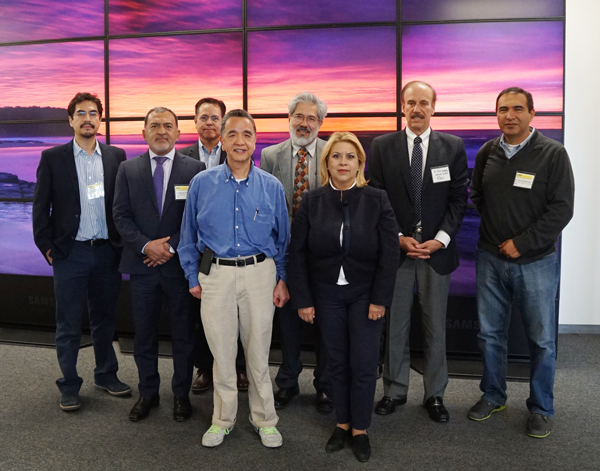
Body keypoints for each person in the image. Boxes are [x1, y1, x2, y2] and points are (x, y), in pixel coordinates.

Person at [179, 109, 289, 448]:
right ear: (222, 141)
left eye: (247, 135)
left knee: (257, 353)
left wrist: (282, 279)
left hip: (260, 275)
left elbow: (283, 239)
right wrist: (191, 276)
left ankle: (265, 420)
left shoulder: (271, 186)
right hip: (216, 276)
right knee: (222, 354)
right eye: (233, 135)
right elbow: (187, 237)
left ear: (255, 142)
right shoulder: (201, 183)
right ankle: (222, 419)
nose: (240, 141)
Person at [468, 87, 574, 438]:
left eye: (517, 109)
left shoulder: (553, 154)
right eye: (502, 109)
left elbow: (562, 209)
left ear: (532, 113)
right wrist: (499, 234)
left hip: (537, 262)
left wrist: (522, 242)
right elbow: (478, 196)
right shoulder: (487, 152)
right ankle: (493, 395)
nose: (509, 115)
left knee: (542, 340)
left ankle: (541, 407)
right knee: (490, 334)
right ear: (495, 114)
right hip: (490, 258)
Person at [289, 132, 399, 462]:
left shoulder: (376, 199)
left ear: (359, 163)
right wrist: (303, 299)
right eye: (336, 156)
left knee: (364, 363)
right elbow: (297, 254)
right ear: (327, 163)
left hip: (366, 295)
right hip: (325, 295)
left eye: (350, 157)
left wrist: (380, 298)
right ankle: (341, 423)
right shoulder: (311, 200)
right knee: (335, 362)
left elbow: (390, 254)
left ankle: (361, 429)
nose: (343, 162)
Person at [369, 81, 468, 423]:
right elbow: (377, 198)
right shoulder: (382, 146)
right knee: (395, 324)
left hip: (435, 253)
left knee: (434, 326)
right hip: (396, 252)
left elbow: (458, 198)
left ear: (433, 107)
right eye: (411, 102)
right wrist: (397, 236)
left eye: (423, 103)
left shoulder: (452, 147)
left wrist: (441, 239)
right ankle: (394, 390)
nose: (417, 109)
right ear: (401, 106)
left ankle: (435, 394)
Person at [32, 92, 131, 411]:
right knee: (68, 322)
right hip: (69, 253)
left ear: (100, 119)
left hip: (106, 252)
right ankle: (69, 385)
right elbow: (40, 207)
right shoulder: (53, 157)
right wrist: (47, 246)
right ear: (71, 119)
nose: (87, 118)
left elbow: (123, 205)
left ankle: (105, 374)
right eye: (81, 113)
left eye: (93, 113)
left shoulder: (117, 155)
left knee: (104, 319)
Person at [113, 107, 204, 422]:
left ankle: (181, 394)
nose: (162, 131)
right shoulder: (128, 169)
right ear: (144, 133)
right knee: (144, 335)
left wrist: (170, 247)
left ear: (179, 133)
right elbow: (120, 215)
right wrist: (145, 246)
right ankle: (147, 393)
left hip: (179, 269)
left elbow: (197, 217)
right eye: (155, 126)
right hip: (142, 269)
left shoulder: (196, 168)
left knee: (183, 334)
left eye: (168, 126)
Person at [260, 92, 332, 412]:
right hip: (285, 253)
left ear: (321, 122)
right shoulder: (270, 156)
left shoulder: (333, 154)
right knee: (287, 320)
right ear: (288, 119)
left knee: (325, 322)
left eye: (311, 118)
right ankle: (288, 381)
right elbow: (265, 209)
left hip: (324, 255)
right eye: (299, 117)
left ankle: (326, 384)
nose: (304, 124)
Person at [179, 97, 248, 394]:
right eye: (203, 117)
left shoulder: (238, 154)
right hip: (196, 251)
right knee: (200, 316)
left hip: (228, 251)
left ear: (222, 124)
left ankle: (240, 368)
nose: (209, 122)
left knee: (237, 314)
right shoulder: (181, 158)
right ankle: (205, 369)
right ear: (194, 122)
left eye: (214, 117)